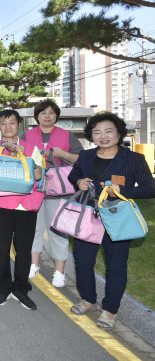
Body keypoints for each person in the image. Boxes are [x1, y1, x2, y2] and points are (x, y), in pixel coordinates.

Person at [68, 112, 155, 331]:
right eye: (97, 132)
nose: (103, 136)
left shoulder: (134, 158)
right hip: (88, 216)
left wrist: (122, 190)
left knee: (116, 265)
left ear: (118, 133)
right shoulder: (86, 156)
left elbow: (150, 188)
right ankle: (88, 299)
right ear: (91, 135)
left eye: (108, 131)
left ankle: (110, 309)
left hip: (117, 217)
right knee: (82, 261)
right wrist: (78, 181)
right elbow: (72, 175)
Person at [0, 110, 44, 310]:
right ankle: (2, 288)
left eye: (12, 122)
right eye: (3, 123)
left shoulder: (32, 148)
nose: (8, 126)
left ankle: (20, 288)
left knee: (24, 249)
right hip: (0, 205)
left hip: (27, 206)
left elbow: (37, 175)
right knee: (1, 248)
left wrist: (23, 155)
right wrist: (7, 154)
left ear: (19, 125)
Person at [24, 100, 82, 287]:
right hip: (33, 190)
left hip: (58, 192)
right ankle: (34, 264)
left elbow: (81, 159)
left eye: (51, 112)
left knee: (57, 231)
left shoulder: (67, 136)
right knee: (34, 230)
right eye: (43, 113)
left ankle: (59, 271)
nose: (47, 116)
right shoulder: (27, 135)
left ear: (56, 115)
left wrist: (63, 154)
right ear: (37, 116)